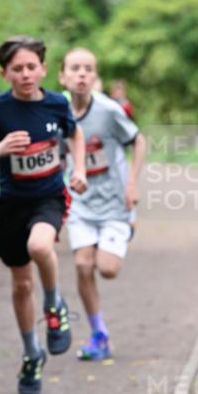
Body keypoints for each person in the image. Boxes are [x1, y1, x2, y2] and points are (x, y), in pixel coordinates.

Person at [0, 36, 87, 394]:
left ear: (44, 69)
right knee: (20, 285)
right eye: (17, 69)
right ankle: (32, 352)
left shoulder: (56, 104)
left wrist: (79, 169)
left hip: (48, 197)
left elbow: (75, 134)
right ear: (5, 73)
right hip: (11, 204)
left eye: (32, 67)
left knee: (40, 245)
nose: (26, 74)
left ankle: (54, 304)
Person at [59, 48, 146, 360]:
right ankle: (99, 334)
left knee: (107, 269)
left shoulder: (109, 110)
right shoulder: (57, 110)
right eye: (75, 68)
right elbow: (56, 156)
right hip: (81, 204)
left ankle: (121, 233)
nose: (81, 74)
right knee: (83, 265)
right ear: (62, 76)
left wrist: (132, 182)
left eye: (88, 69)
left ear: (94, 77)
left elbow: (138, 140)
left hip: (114, 203)